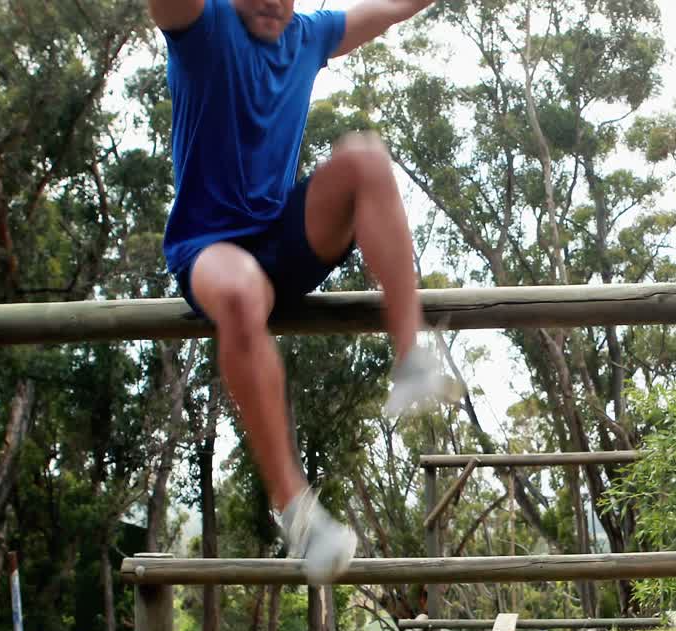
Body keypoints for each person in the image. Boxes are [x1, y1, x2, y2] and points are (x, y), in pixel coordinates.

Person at [146, 0, 456, 585]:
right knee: (240, 292)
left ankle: (411, 359)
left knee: (366, 158)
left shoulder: (308, 35)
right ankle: (298, 512)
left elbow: (390, 10)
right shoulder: (201, 25)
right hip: (211, 252)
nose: (271, 2)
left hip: (284, 241)